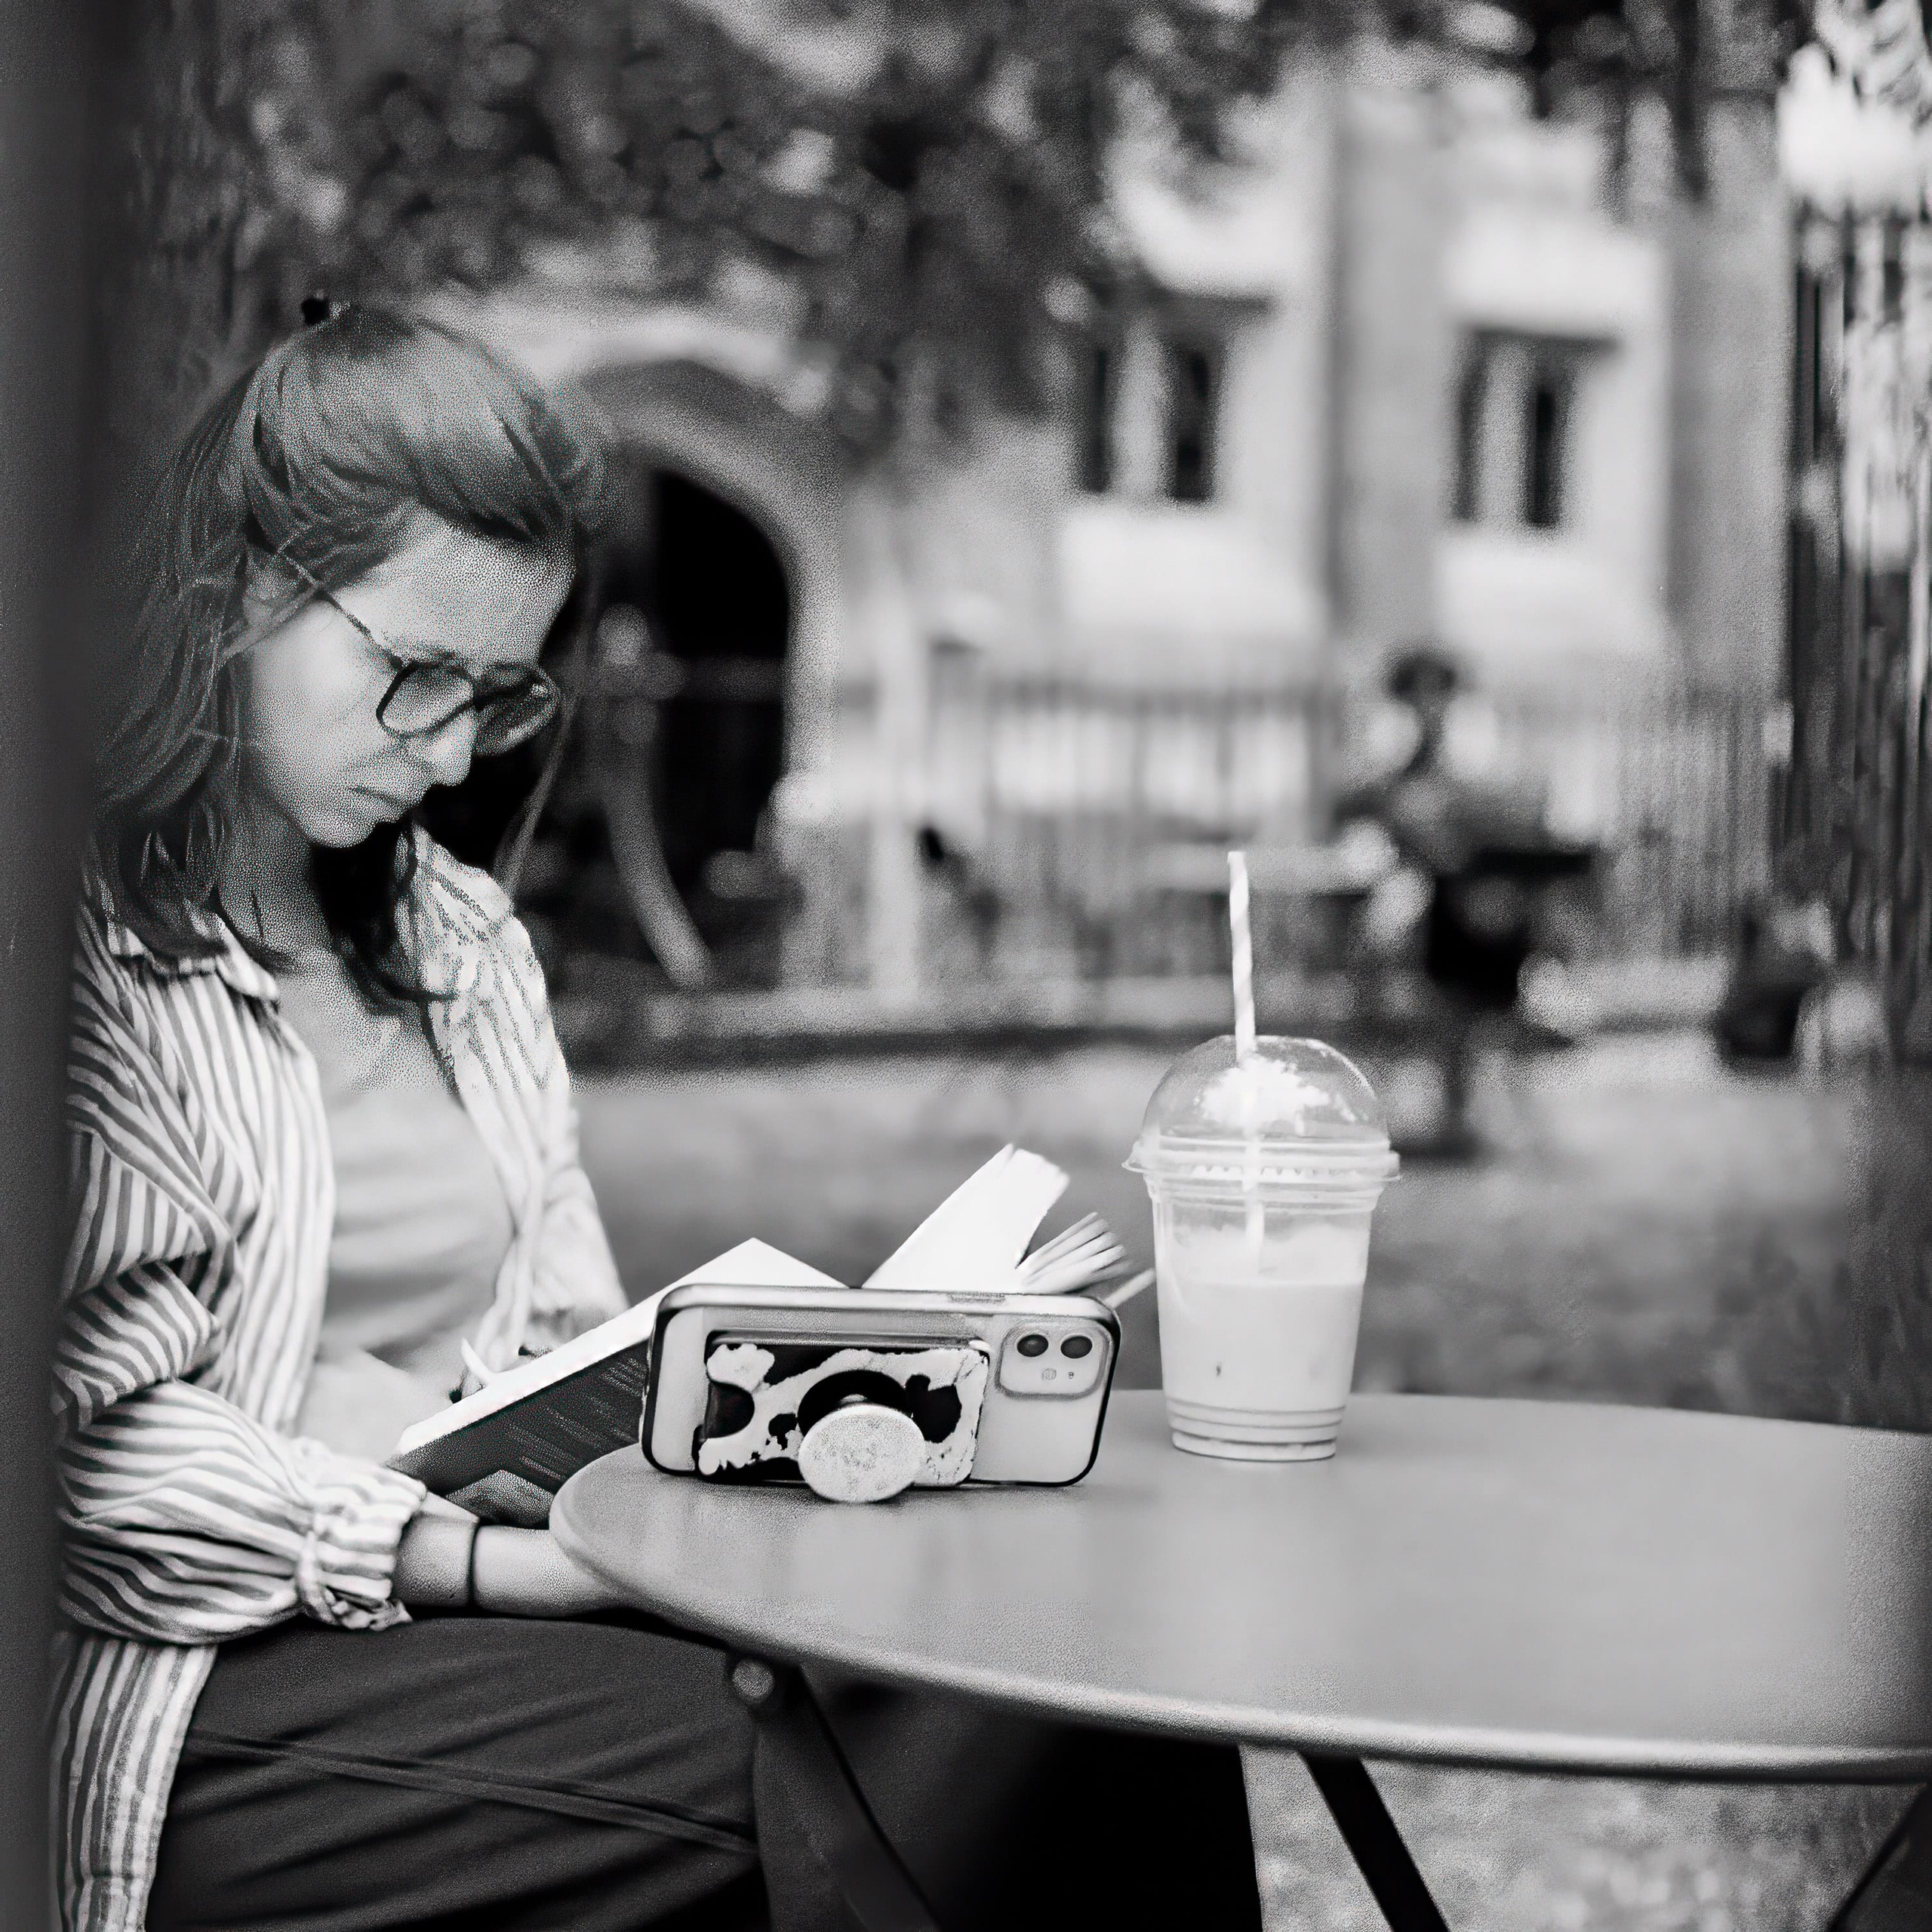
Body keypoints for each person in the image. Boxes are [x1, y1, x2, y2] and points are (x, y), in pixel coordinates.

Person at [55, 302, 1263, 1932]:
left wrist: (743, 1427)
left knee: (1085, 1673)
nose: (445, 747)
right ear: (235, 591)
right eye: (410, 673)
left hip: (487, 1599)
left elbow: (555, 1339)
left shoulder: (457, 944)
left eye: (495, 695)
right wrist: (467, 1553)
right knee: (835, 1783)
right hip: (198, 1684)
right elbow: (84, 1469)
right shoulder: (82, 951)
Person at [1334, 642, 1560, 1154]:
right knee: (1401, 944)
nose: (1431, 703)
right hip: (1411, 880)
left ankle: (1468, 1093)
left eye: (1439, 691)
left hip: (1470, 886)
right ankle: (1428, 1093)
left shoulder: (1475, 740)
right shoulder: (1387, 739)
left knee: (1484, 953)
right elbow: (1367, 804)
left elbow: (1500, 805)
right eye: (1421, 692)